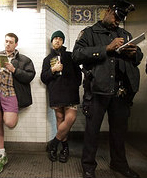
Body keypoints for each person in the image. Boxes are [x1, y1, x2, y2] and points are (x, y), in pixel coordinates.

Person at [72, 0, 143, 178]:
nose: (117, 22)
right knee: (92, 131)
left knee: (119, 132)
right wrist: (106, 48)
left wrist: (135, 53)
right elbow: (77, 55)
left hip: (120, 91)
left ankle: (118, 163)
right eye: (116, 17)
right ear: (108, 11)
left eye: (121, 19)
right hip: (97, 90)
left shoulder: (124, 34)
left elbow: (139, 57)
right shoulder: (89, 33)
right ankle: (88, 167)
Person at [0, 33, 36, 175]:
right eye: (6, 41)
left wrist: (14, 70)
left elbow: (30, 76)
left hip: (11, 92)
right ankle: (1, 154)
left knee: (10, 123)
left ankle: (2, 154)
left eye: (11, 42)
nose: (7, 44)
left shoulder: (24, 59)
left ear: (16, 44)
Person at [41, 30, 82, 163]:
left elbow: (78, 73)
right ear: (52, 41)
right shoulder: (47, 59)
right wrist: (53, 70)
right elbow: (43, 77)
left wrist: (75, 85)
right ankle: (64, 148)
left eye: (60, 38)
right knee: (59, 118)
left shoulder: (71, 56)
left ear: (63, 41)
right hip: (56, 92)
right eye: (55, 38)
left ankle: (54, 143)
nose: (57, 40)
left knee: (70, 118)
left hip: (70, 92)